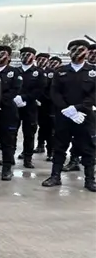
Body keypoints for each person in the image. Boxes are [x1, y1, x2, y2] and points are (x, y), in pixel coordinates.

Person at [42, 39, 96, 191]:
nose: (77, 53)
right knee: (59, 147)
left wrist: (78, 108)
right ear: (69, 52)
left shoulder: (93, 71)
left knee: (88, 148)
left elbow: (94, 95)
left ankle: (90, 180)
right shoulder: (60, 71)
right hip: (64, 116)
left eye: (81, 50)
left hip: (85, 117)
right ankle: (55, 176)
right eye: (73, 50)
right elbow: (55, 92)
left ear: (86, 52)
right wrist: (67, 110)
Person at [0, 45, 22, 181]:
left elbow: (14, 90)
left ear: (9, 57)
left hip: (7, 111)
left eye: (4, 54)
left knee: (7, 141)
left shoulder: (14, 72)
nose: (0, 56)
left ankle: (7, 168)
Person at [15, 46, 46, 169]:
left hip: (30, 107)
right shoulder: (15, 71)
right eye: (23, 55)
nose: (26, 57)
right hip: (15, 106)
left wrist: (25, 98)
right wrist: (15, 98)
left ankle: (28, 158)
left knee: (29, 133)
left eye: (29, 55)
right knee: (11, 133)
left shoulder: (38, 72)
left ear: (34, 57)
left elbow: (40, 89)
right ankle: (9, 157)